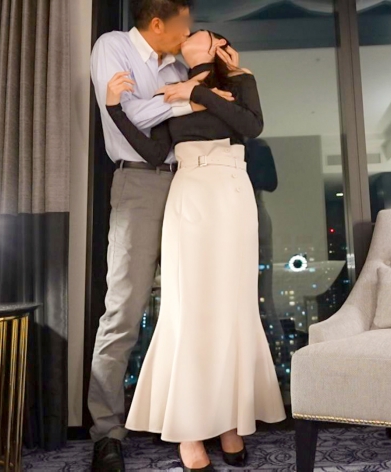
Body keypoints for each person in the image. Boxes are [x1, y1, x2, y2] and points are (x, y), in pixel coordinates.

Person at [105, 30, 287, 471]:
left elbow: (251, 126)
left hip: (232, 194)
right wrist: (115, 109)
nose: (187, 32)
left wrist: (197, 93)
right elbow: (154, 152)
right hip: (188, 195)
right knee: (188, 309)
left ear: (218, 47)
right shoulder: (168, 90)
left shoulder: (240, 80)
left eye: (199, 32)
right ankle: (190, 430)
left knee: (232, 308)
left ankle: (230, 423)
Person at [87, 1, 233, 470]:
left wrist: (195, 92)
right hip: (138, 184)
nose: (187, 33)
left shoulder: (177, 66)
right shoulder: (112, 47)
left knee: (193, 310)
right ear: (157, 23)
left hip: (188, 182)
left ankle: (196, 421)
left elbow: (206, 114)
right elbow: (127, 115)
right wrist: (188, 98)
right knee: (124, 310)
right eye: (183, 25)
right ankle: (107, 433)